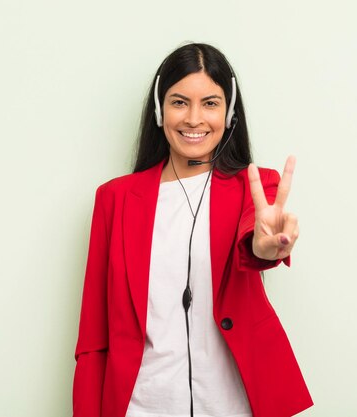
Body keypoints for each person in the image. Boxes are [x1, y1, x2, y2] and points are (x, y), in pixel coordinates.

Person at [72, 43, 313, 417]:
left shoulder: (256, 187)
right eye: (179, 102)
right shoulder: (115, 199)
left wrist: (268, 245)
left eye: (211, 103)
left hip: (231, 406)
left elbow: (254, 243)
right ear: (159, 109)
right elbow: (93, 334)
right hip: (140, 406)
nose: (194, 119)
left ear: (230, 112)